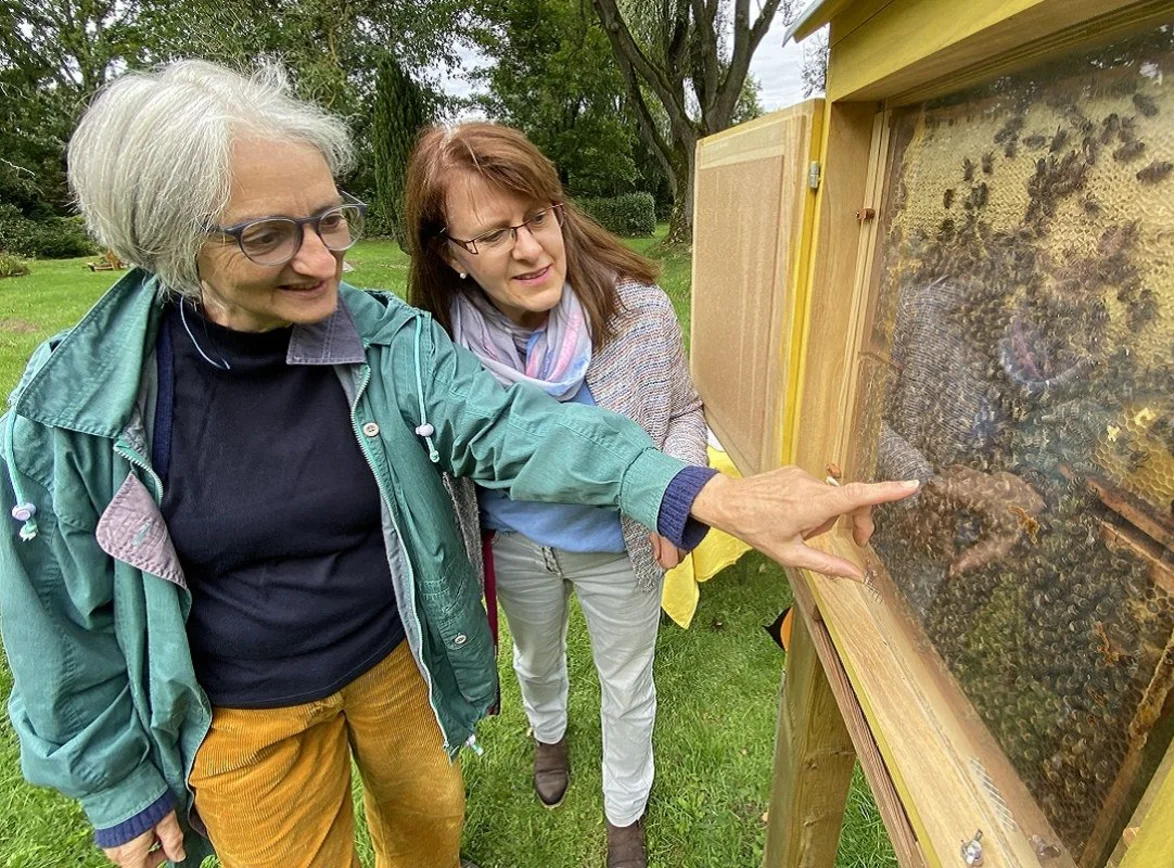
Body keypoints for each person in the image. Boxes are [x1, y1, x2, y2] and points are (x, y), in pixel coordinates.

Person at [0, 60, 919, 868]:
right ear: (167, 242)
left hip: (397, 661)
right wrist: (117, 780)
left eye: (330, 219)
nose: (323, 261)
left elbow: (519, 429)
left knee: (428, 825)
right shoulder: (75, 409)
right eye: (269, 235)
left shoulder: (388, 342)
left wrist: (698, 491)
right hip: (242, 714)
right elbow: (54, 615)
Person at [402, 122, 701, 868]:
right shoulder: (434, 350)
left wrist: (681, 491)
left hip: (618, 548)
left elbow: (686, 413)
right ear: (450, 255)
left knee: (628, 685)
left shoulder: (638, 313)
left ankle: (625, 813)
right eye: (496, 233)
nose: (532, 248)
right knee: (535, 664)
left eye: (538, 216)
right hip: (517, 548)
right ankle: (549, 735)